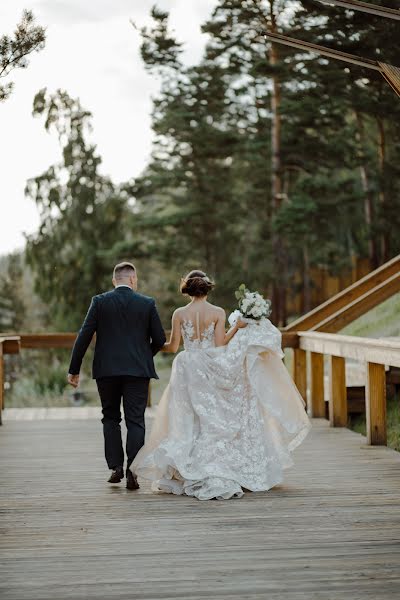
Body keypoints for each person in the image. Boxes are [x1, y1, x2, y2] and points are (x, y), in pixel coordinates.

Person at [133, 269, 311, 500]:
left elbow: (172, 346)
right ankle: (212, 465)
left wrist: (148, 346)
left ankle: (185, 467)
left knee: (187, 417)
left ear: (187, 288)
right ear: (207, 288)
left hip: (186, 365)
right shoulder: (217, 312)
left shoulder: (179, 313)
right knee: (210, 415)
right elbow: (220, 343)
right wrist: (236, 327)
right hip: (209, 364)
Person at [67, 262, 166, 490]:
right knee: (135, 420)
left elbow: (84, 336)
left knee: (110, 417)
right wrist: (143, 356)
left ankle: (115, 468)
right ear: (133, 279)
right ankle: (133, 470)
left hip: (107, 371)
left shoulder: (99, 302)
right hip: (137, 372)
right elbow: (160, 339)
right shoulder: (147, 303)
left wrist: (74, 369)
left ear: (115, 281)